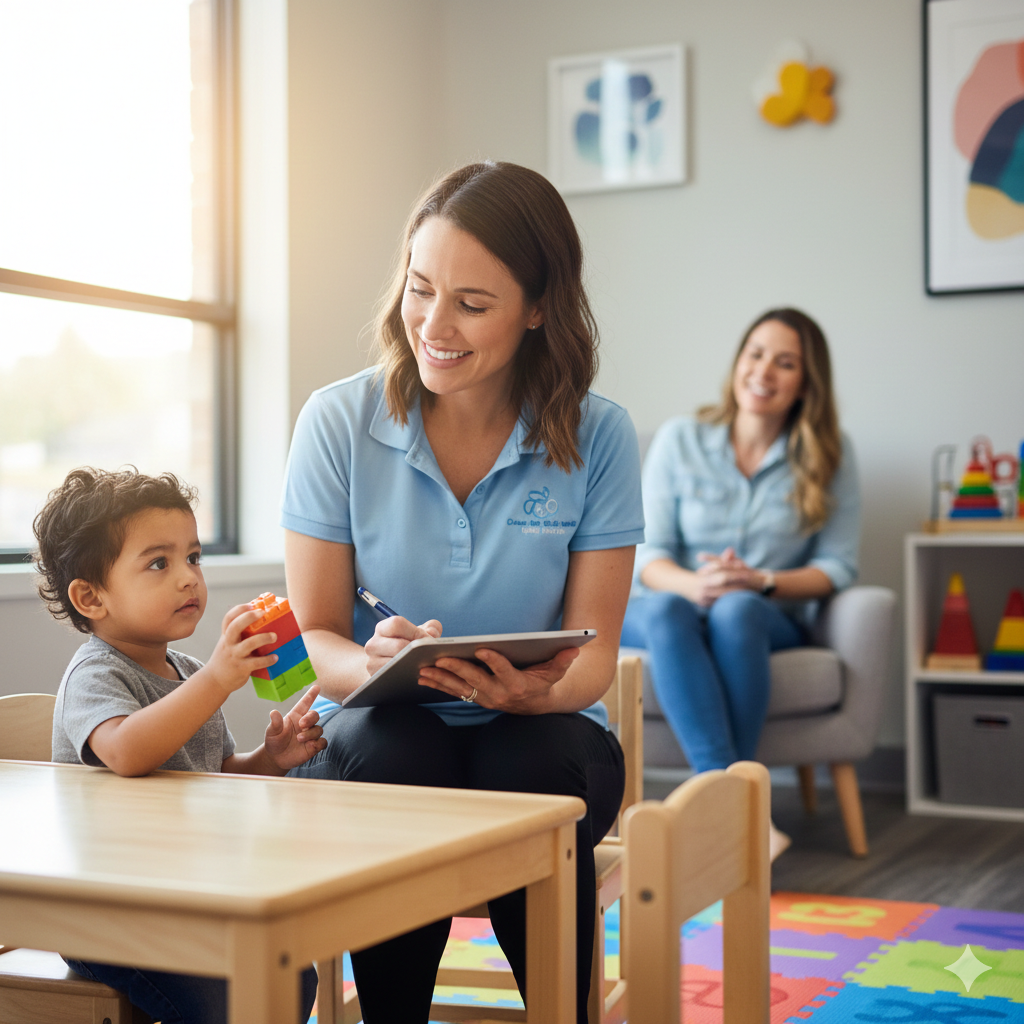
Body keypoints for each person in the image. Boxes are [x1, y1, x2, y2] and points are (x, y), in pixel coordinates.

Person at [281, 161, 644, 1024]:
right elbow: (315, 640)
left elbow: (594, 648)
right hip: (379, 733)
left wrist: (540, 691)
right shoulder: (336, 423)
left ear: (539, 305)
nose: (433, 326)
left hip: (547, 733)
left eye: (472, 304)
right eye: (419, 288)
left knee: (534, 773)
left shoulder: (601, 435)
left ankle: (566, 1017)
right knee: (397, 760)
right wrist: (368, 663)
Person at [33, 466, 325, 1024]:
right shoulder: (95, 676)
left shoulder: (188, 672)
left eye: (193, 557)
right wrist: (216, 679)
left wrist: (271, 759)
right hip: (110, 916)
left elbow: (212, 776)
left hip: (184, 900)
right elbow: (125, 752)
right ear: (90, 597)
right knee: (228, 999)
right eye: (158, 563)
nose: (189, 578)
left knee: (291, 972)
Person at [621, 308, 859, 860]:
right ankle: (738, 809)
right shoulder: (682, 439)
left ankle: (724, 809)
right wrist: (690, 585)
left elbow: (839, 567)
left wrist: (761, 581)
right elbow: (645, 553)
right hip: (670, 603)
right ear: (737, 361)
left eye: (785, 362)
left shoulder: (830, 456)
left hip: (761, 615)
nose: (764, 372)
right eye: (755, 354)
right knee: (665, 612)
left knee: (737, 611)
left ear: (807, 381)